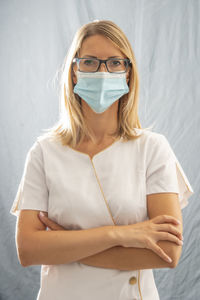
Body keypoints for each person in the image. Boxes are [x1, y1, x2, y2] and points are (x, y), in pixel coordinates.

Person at [10, 20, 194, 300]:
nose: (102, 72)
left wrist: (65, 245)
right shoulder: (44, 152)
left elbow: (167, 253)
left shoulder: (153, 148)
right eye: (90, 62)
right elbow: (28, 250)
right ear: (74, 71)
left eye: (115, 63)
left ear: (128, 74)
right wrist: (121, 235)